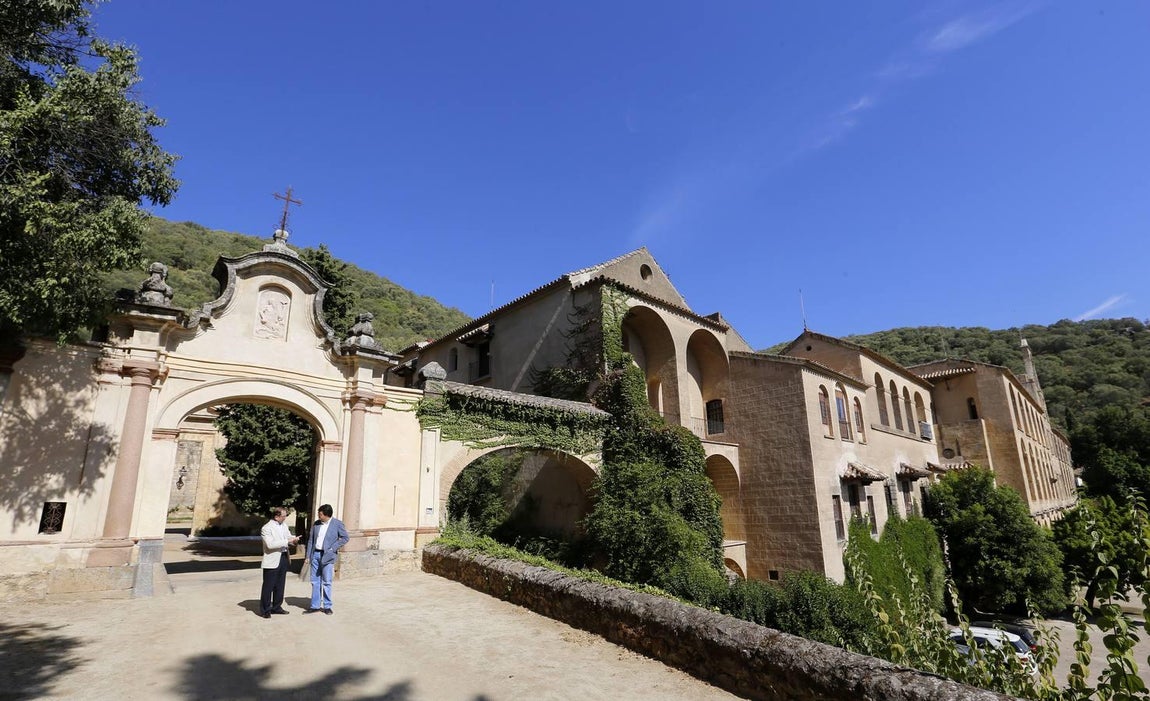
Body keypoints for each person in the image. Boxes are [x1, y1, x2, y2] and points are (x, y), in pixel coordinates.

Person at [304, 504, 350, 615]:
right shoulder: (316, 524)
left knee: (327, 582)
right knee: (315, 581)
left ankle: (327, 606)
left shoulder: (337, 524)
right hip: (315, 555)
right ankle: (315, 606)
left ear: (326, 515)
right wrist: (308, 556)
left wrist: (332, 548)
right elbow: (311, 540)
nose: (318, 516)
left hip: (328, 556)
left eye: (320, 514)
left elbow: (345, 538)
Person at [259, 506, 300, 618]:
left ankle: (277, 607)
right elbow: (270, 544)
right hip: (272, 559)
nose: (285, 518)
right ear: (276, 516)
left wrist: (294, 539)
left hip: (283, 557)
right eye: (283, 516)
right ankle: (265, 610)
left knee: (280, 585)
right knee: (268, 586)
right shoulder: (266, 528)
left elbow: (288, 537)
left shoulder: (284, 526)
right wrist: (287, 541)